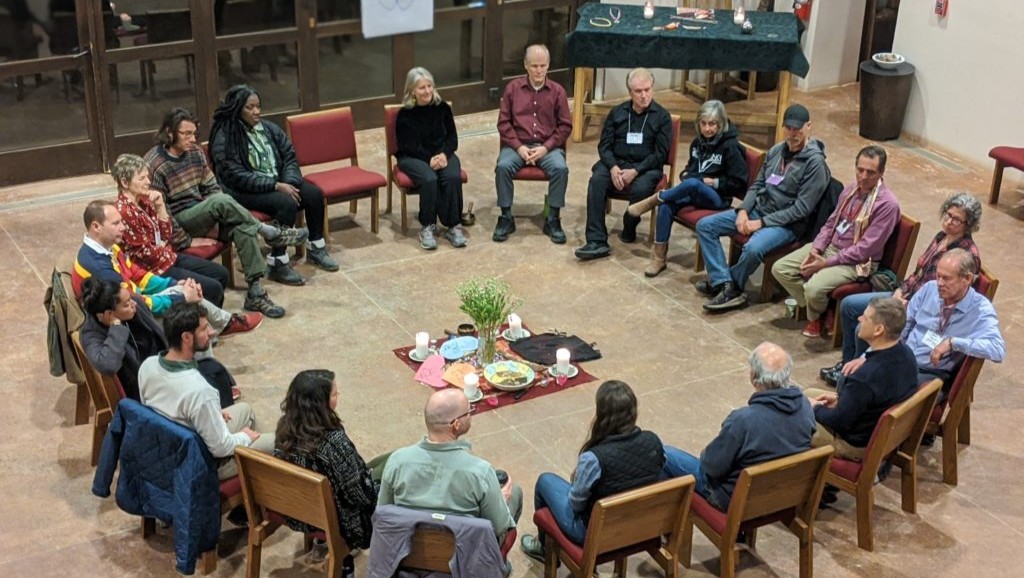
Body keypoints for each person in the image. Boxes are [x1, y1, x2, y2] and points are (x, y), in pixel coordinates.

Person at [144, 107, 308, 318]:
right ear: (169, 133)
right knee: (220, 201)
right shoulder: (155, 164)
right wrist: (186, 240)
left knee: (243, 227)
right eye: (186, 134)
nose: (192, 139)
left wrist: (216, 217)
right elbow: (160, 214)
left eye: (194, 133)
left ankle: (255, 293)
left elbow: (212, 187)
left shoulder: (195, 153)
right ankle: (269, 232)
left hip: (206, 211)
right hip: (180, 221)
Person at [820, 193, 983, 385]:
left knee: (861, 329)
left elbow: (947, 300)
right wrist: (900, 291)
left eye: (956, 220)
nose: (948, 221)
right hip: (906, 296)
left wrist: (908, 304)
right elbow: (918, 273)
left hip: (922, 309)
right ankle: (848, 363)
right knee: (849, 305)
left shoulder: (967, 256)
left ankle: (861, 372)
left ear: (969, 224)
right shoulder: (941, 237)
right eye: (948, 214)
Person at [695, 103, 830, 312]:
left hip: (786, 225)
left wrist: (761, 223)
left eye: (797, 129)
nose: (792, 134)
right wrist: (743, 211)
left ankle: (732, 286)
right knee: (705, 226)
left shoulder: (815, 164)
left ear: (809, 126)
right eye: (788, 128)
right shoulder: (776, 151)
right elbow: (757, 185)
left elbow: (801, 209)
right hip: (758, 210)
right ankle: (724, 283)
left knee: (753, 248)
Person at [519, 380, 664, 562]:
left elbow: (576, 504)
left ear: (602, 415)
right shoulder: (654, 442)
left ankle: (544, 548)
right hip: (643, 525)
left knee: (545, 481)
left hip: (597, 534)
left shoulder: (594, 459)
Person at [209, 85, 339, 286]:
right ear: (237, 109)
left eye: (258, 106)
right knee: (285, 203)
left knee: (313, 194)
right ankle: (278, 263)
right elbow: (235, 175)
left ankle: (316, 248)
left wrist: (289, 182)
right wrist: (275, 186)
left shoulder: (269, 128)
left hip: (278, 183)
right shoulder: (225, 135)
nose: (256, 112)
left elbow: (289, 156)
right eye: (250, 108)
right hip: (242, 191)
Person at [662, 342, 815, 511]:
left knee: (663, 453)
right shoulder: (805, 405)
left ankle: (663, 520)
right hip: (783, 493)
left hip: (734, 500)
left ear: (753, 376)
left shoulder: (743, 420)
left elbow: (711, 467)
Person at [772, 145, 899, 337]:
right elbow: (831, 223)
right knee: (781, 269)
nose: (863, 176)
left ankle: (815, 316)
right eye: (860, 170)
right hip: (829, 248)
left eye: (871, 172)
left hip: (857, 262)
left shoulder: (887, 205)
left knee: (814, 288)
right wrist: (816, 249)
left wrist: (825, 263)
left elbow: (865, 249)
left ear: (882, 173)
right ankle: (824, 310)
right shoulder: (851, 189)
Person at [138, 302, 275, 480]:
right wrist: (245, 437)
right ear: (186, 337)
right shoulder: (200, 391)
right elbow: (221, 448)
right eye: (204, 329)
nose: (211, 332)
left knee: (245, 410)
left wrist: (210, 413)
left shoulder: (147, 365)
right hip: (199, 465)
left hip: (168, 449)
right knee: (278, 443)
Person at [72, 200, 248, 339]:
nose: (123, 227)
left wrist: (173, 284)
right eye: (116, 223)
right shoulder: (100, 269)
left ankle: (221, 325)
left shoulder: (108, 247)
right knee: (189, 317)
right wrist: (181, 297)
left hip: (133, 304)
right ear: (96, 227)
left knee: (186, 291)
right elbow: (136, 304)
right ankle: (219, 330)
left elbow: (137, 275)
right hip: (126, 321)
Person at [840, 249, 1005, 397]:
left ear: (967, 279)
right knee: (849, 378)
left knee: (871, 391)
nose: (939, 283)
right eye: (938, 276)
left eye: (946, 278)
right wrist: (868, 357)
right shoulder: (929, 289)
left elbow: (997, 349)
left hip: (929, 374)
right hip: (901, 359)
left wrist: (953, 343)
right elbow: (901, 328)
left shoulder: (980, 309)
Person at [625, 99, 748, 277]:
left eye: (712, 124)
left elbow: (739, 182)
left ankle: (655, 198)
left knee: (692, 184)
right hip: (695, 191)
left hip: (718, 198)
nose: (707, 128)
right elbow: (691, 168)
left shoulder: (731, 146)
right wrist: (687, 175)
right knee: (666, 206)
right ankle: (659, 258)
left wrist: (714, 182)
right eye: (703, 124)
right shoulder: (697, 143)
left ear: (721, 124)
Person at [378, 388, 522, 539]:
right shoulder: (481, 473)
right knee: (515, 492)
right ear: (456, 424)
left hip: (407, 548)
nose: (471, 414)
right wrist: (502, 501)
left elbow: (384, 514)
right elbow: (499, 527)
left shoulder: (397, 461)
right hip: (465, 551)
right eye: (469, 412)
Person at [79, 277, 239, 408]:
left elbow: (158, 332)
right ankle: (218, 427)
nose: (134, 304)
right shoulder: (91, 334)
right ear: (109, 314)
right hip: (146, 389)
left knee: (214, 369)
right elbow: (107, 365)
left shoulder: (136, 306)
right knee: (206, 387)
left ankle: (222, 420)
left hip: (163, 367)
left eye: (130, 299)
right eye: (126, 305)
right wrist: (116, 327)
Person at [275, 369, 377, 571]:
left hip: (297, 508)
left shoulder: (284, 428)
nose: (339, 395)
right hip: (335, 518)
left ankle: (321, 544)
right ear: (319, 403)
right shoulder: (332, 443)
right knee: (390, 465)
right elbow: (360, 495)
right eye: (334, 394)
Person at [112, 153, 233, 310]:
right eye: (142, 178)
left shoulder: (145, 201)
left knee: (221, 273)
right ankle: (198, 321)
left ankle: (203, 316)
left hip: (167, 257)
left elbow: (167, 234)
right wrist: (162, 246)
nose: (148, 182)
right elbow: (145, 254)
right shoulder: (124, 212)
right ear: (124, 182)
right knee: (213, 288)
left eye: (147, 177)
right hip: (155, 270)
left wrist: (161, 206)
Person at [575, 68, 672, 260]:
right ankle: (596, 240)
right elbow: (604, 146)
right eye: (638, 91)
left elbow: (660, 154)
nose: (644, 95)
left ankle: (629, 224)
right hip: (617, 163)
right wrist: (613, 168)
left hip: (646, 167)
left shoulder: (662, 117)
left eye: (647, 89)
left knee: (642, 188)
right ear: (630, 92)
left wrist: (635, 171)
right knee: (597, 180)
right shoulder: (617, 113)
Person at [804, 297, 918, 460]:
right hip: (879, 432)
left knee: (789, 414)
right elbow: (871, 399)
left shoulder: (864, 377)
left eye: (865, 317)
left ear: (878, 330)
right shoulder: (906, 353)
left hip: (855, 444)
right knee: (806, 394)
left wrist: (814, 408)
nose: (859, 319)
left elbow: (839, 421)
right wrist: (842, 400)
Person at [493, 44, 572, 244]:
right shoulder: (513, 89)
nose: (539, 70)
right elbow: (503, 123)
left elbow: (565, 126)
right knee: (503, 167)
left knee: (560, 169)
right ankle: (506, 217)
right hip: (517, 145)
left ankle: (553, 218)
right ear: (525, 65)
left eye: (543, 66)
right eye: (534, 66)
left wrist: (545, 148)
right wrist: (519, 147)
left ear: (548, 66)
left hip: (547, 147)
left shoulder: (558, 92)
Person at [395, 67, 467, 250]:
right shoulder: (405, 115)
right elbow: (408, 145)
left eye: (429, 86)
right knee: (429, 179)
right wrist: (430, 159)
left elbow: (452, 138)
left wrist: (443, 155)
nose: (427, 91)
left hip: (442, 154)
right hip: (413, 156)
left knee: (452, 176)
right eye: (422, 88)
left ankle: (453, 225)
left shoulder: (443, 108)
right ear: (412, 90)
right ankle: (427, 226)